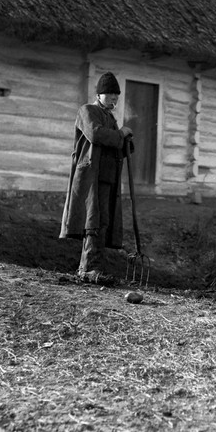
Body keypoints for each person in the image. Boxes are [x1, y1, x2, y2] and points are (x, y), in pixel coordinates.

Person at [59, 72, 133, 285]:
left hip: (107, 177)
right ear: (99, 94)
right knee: (92, 221)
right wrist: (121, 134)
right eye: (110, 95)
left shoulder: (110, 118)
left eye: (116, 96)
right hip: (91, 176)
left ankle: (94, 268)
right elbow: (96, 134)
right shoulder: (87, 111)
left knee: (103, 222)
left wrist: (127, 141)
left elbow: (115, 145)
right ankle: (87, 269)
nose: (114, 99)